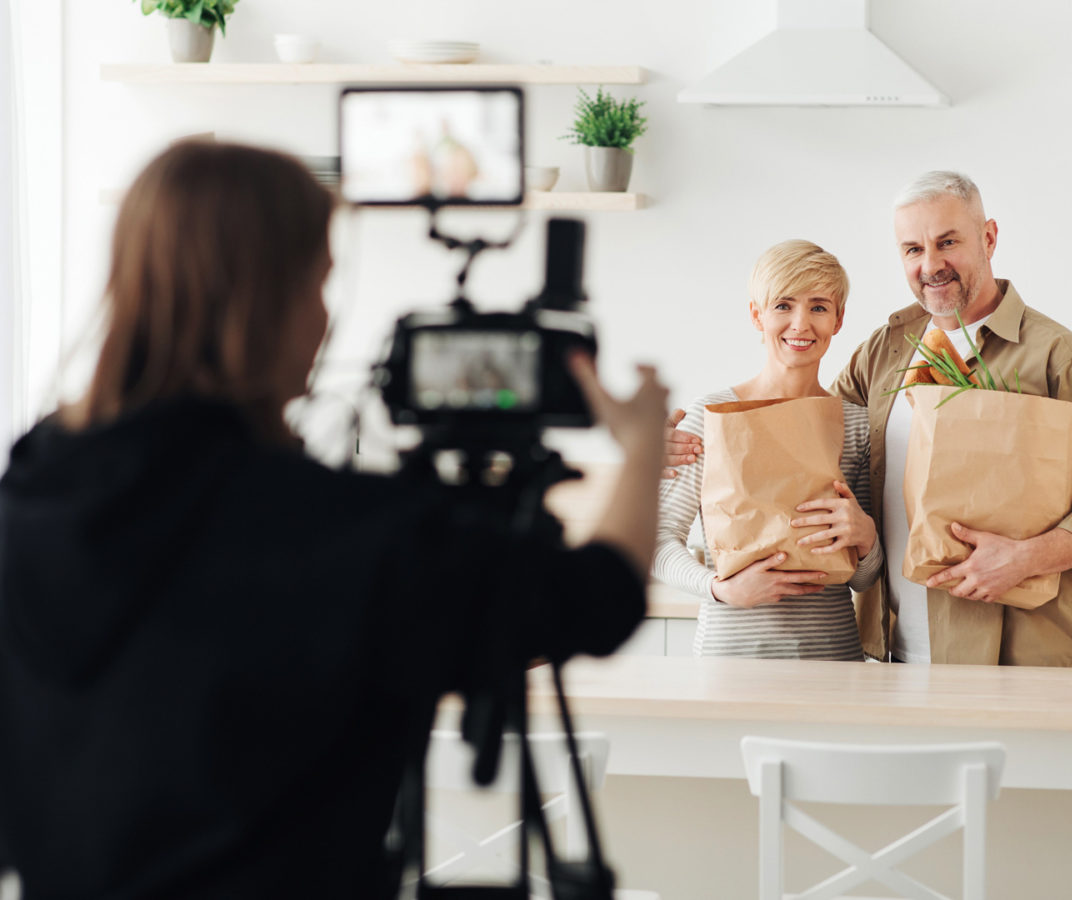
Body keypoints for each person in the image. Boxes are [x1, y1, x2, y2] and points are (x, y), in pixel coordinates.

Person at [0, 141, 668, 898]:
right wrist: (643, 446)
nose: (324, 316)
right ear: (268, 303)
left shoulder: (32, 489)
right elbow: (597, 599)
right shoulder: (330, 528)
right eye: (317, 283)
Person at [666, 172, 1072, 666]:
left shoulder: (1052, 355)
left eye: (948, 242)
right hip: (887, 657)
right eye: (912, 249)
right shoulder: (885, 351)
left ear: (988, 238)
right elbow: (792, 449)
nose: (931, 265)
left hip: (1013, 657)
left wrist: (1026, 557)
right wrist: (675, 452)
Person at [654, 240, 883, 659]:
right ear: (756, 315)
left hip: (832, 659)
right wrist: (720, 589)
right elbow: (657, 541)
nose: (800, 324)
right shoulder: (713, 416)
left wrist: (866, 538)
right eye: (783, 305)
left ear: (838, 319)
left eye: (818, 307)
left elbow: (863, 580)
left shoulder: (856, 425)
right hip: (730, 659)